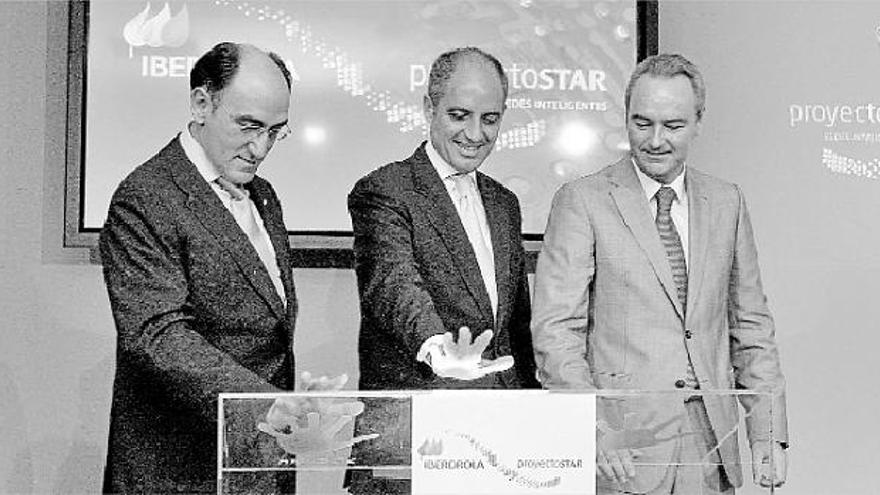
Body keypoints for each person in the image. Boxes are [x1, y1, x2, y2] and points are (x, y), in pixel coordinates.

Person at [531, 53, 789, 494]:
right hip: (622, 450)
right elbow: (556, 332)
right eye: (642, 123)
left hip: (712, 443)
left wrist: (767, 431)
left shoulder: (727, 202)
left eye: (673, 126)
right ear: (626, 118)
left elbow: (751, 325)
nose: (655, 140)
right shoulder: (583, 200)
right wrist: (593, 427)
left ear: (698, 122)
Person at [100, 42, 301, 493]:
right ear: (201, 103)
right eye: (248, 126)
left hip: (256, 468)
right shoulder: (146, 196)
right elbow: (157, 335)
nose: (261, 146)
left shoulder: (264, 196)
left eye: (275, 131)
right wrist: (265, 404)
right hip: (180, 472)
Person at [345, 47, 539, 492]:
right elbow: (392, 284)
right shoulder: (384, 191)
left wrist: (537, 412)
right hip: (415, 440)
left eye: (490, 119)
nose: (475, 133)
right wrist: (437, 345)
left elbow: (514, 326)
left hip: (499, 439)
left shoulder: (504, 202)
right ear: (429, 107)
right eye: (459, 115)